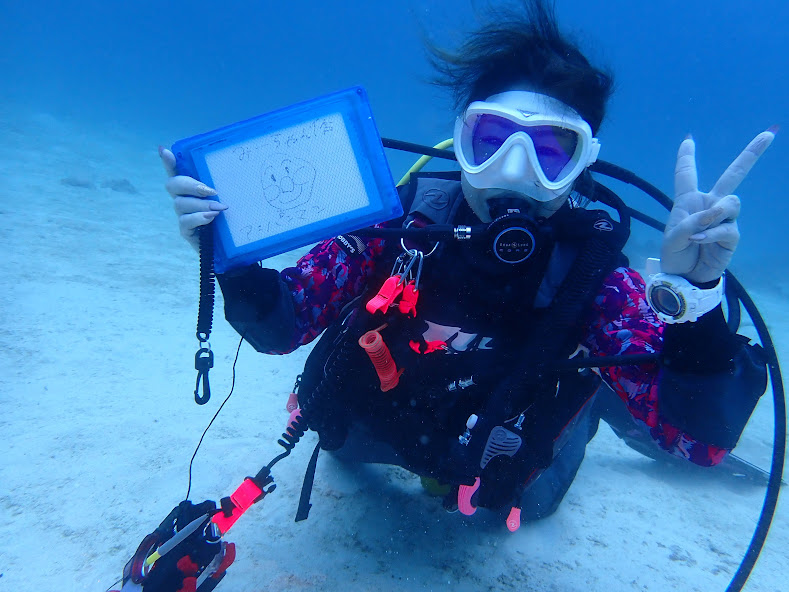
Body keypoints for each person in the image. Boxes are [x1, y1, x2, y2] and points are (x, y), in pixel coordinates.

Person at [160, 1, 773, 526]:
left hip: (501, 453)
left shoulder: (592, 276)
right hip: (392, 421)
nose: (515, 173)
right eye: (492, 141)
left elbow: (698, 440)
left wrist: (698, 299)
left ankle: (600, 399)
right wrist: (229, 258)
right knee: (338, 439)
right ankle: (600, 385)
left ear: (583, 164)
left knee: (521, 505)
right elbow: (284, 322)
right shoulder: (401, 224)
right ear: (460, 142)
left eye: (549, 153)